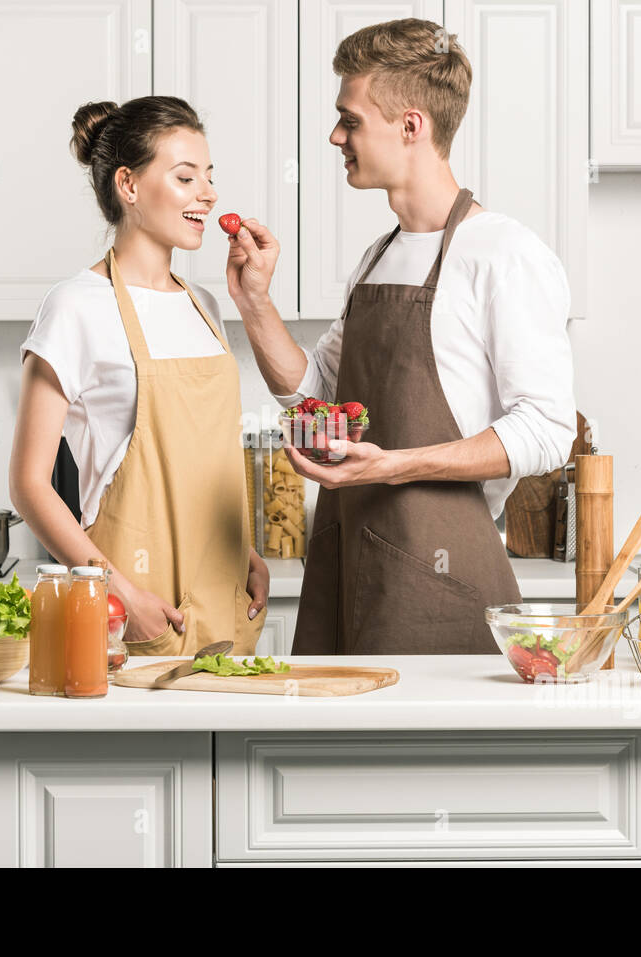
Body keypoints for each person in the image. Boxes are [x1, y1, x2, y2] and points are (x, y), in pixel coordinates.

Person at [226, 19, 576, 654]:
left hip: (439, 579)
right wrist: (254, 302)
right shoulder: (377, 256)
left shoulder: (503, 254)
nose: (336, 136)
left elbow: (549, 429)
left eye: (350, 120)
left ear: (411, 126)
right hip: (347, 561)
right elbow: (315, 395)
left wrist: (394, 467)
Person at [9, 96, 268, 656]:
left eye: (209, 176)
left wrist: (241, 551)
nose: (209, 193)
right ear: (128, 185)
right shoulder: (76, 306)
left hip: (225, 608)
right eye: (185, 177)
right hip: (133, 615)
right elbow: (30, 485)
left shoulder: (204, 303)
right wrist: (118, 594)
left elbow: (202, 461)